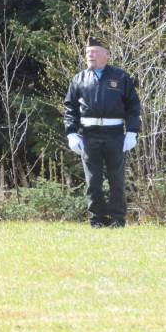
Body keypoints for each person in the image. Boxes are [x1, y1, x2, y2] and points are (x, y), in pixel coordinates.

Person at [63, 36, 142, 228]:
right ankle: (97, 220)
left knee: (117, 180)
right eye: (88, 53)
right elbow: (69, 109)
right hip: (89, 136)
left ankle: (117, 219)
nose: (90, 55)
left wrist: (132, 131)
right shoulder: (79, 79)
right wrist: (71, 133)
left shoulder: (121, 77)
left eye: (95, 52)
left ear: (106, 55)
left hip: (115, 134)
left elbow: (133, 106)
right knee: (93, 181)